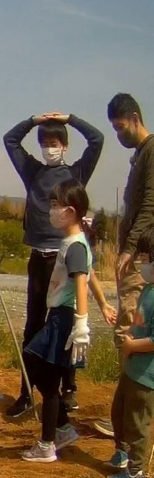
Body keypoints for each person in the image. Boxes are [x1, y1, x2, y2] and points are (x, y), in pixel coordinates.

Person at [3, 111, 103, 418]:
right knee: (33, 325)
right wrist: (33, 120)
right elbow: (10, 139)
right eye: (45, 142)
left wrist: (69, 118)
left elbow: (97, 139)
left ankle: (68, 389)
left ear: (65, 145)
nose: (50, 147)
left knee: (65, 324)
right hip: (39, 258)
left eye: (55, 142)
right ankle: (26, 391)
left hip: (65, 257)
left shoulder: (76, 173)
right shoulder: (32, 171)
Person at [20, 180, 94, 463]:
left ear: (70, 211)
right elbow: (92, 276)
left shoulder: (75, 245)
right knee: (43, 373)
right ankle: (61, 427)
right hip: (59, 315)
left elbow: (82, 282)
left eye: (55, 205)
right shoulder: (73, 242)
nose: (51, 211)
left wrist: (81, 324)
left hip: (63, 317)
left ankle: (47, 443)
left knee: (43, 373)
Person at [96, 94, 154, 438]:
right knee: (132, 332)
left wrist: (129, 249)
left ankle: (130, 420)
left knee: (130, 334)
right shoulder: (140, 155)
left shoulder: (151, 151)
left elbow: (149, 204)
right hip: (138, 256)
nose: (118, 135)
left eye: (120, 128)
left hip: (140, 257)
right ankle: (128, 413)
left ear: (134, 118)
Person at [107, 227, 154, 478]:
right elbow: (140, 322)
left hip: (146, 374)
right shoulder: (147, 290)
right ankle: (122, 453)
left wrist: (133, 345)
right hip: (132, 366)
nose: (141, 264)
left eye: (146, 259)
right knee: (120, 412)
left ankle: (136, 473)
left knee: (138, 422)